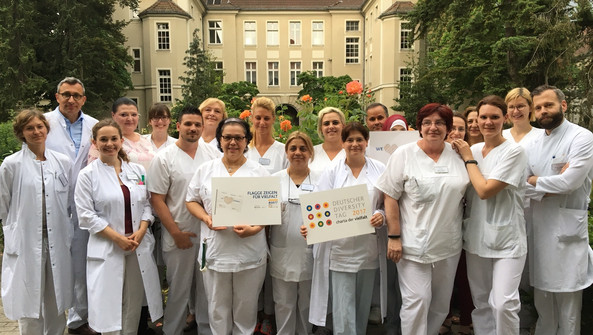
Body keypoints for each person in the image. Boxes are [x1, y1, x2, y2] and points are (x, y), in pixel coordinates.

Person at [377, 103, 469, 335]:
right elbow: (389, 196)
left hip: (448, 244)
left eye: (439, 123)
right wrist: (394, 236)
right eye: (427, 123)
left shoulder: (458, 155)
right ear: (419, 127)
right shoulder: (404, 154)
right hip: (412, 244)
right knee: (416, 301)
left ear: (448, 127)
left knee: (439, 304)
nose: (433, 127)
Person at [75, 120, 163, 334]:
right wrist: (117, 238)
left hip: (136, 246)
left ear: (121, 141)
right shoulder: (87, 175)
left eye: (114, 138)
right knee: (108, 306)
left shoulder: (136, 170)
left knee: (133, 303)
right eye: (103, 139)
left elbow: (146, 205)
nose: (109, 144)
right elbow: (86, 215)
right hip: (108, 247)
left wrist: (141, 231)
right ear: (94, 142)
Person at [451, 95, 528, 335]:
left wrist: (467, 158)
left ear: (505, 119)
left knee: (503, 303)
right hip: (476, 236)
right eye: (483, 117)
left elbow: (485, 190)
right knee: (482, 302)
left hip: (507, 239)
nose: (487, 122)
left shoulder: (514, 152)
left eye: (494, 117)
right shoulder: (473, 149)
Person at [186, 118, 269, 335]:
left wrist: (256, 228)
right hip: (216, 250)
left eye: (238, 137)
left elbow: (271, 208)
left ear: (247, 140)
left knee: (246, 308)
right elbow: (191, 200)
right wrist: (206, 218)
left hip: (249, 251)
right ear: (220, 140)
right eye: (227, 137)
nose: (232, 142)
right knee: (217, 308)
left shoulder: (259, 173)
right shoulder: (206, 170)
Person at [306, 122, 387, 335]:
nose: (354, 144)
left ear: (367, 142)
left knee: (362, 307)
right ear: (343, 143)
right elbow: (318, 205)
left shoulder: (380, 169)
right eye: (349, 140)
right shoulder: (332, 170)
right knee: (343, 309)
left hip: (368, 249)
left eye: (359, 139)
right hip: (339, 251)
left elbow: (387, 204)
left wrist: (381, 216)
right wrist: (311, 227)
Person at [524, 85, 593, 335]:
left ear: (563, 106)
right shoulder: (532, 141)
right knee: (543, 301)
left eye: (548, 105)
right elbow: (519, 185)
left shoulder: (582, 138)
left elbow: (570, 183)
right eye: (539, 107)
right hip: (539, 228)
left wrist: (535, 181)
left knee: (569, 306)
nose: (543, 111)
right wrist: (546, 184)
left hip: (568, 233)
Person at [147, 106, 220, 335]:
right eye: (188, 124)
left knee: (208, 290)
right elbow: (157, 200)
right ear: (178, 126)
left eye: (197, 124)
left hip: (209, 233)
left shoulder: (212, 154)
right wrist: (175, 233)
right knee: (178, 290)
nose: (193, 128)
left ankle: (206, 330)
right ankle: (173, 330)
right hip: (179, 232)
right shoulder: (164, 158)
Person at [0, 110, 73, 334]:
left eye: (40, 127)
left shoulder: (62, 162)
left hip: (57, 239)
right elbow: (3, 204)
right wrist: (11, 233)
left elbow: (69, 201)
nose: (36, 131)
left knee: (56, 299)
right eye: (29, 128)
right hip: (25, 241)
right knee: (28, 299)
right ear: (21, 133)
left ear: (47, 130)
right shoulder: (11, 165)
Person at [45, 76, 98, 335]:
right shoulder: (43, 123)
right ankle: (51, 318)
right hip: (51, 200)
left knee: (80, 262)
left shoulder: (94, 126)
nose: (71, 100)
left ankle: (78, 319)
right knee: (52, 262)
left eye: (76, 95)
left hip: (84, 203)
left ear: (83, 99)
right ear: (57, 97)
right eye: (66, 94)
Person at [270, 131, 320, 335]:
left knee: (307, 303)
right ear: (286, 152)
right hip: (282, 251)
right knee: (283, 303)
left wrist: (316, 227)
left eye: (303, 148)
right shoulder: (273, 180)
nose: (298, 152)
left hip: (310, 251)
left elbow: (330, 216)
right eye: (293, 148)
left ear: (310, 152)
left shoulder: (322, 179)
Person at [441, 111, 473, 335]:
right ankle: (443, 318)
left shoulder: (471, 155)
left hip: (469, 222)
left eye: (461, 129)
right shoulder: (433, 154)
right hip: (443, 225)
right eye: (453, 128)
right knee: (443, 277)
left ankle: (466, 320)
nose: (456, 133)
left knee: (465, 275)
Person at [88, 98, 155, 171]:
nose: (130, 118)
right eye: (124, 115)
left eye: (134, 115)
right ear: (113, 115)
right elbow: (94, 171)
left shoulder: (147, 140)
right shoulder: (104, 143)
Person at [247, 96, 288, 174]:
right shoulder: (244, 151)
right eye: (258, 118)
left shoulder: (284, 151)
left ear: (273, 119)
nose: (262, 123)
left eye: (266, 118)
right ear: (252, 118)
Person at [308, 107, 346, 172]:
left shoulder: (352, 151)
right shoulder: (311, 153)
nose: (331, 126)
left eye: (335, 122)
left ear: (343, 126)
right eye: (326, 124)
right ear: (321, 129)